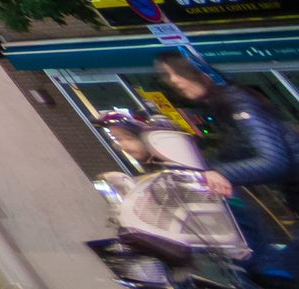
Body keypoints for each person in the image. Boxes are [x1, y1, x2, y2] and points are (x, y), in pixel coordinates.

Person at [155, 53, 298, 284]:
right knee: (275, 270)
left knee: (278, 272)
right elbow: (235, 154)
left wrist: (220, 173)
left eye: (178, 72)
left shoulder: (237, 102)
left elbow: (274, 161)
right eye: (167, 75)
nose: (174, 80)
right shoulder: (226, 105)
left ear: (202, 72)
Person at [89, 112, 249, 286]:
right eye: (118, 140)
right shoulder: (170, 175)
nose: (122, 146)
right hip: (206, 263)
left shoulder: (193, 179)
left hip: (221, 264)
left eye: (127, 138)